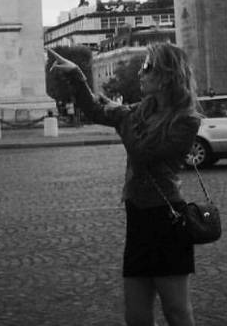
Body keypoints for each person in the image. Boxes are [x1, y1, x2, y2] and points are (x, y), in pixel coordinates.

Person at [48, 44, 202, 326]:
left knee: (177, 311)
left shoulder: (186, 120)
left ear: (167, 74)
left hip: (167, 221)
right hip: (138, 216)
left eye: (147, 67)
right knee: (136, 315)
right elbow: (96, 111)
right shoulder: (140, 111)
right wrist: (78, 76)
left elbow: (143, 152)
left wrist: (124, 117)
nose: (141, 73)